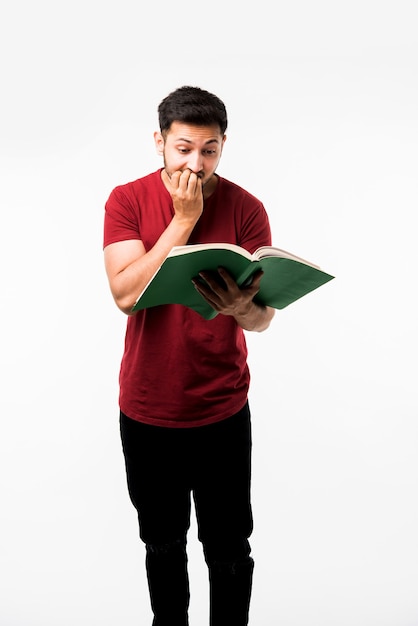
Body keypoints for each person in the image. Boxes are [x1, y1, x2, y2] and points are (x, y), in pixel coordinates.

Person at [103, 85, 275, 626]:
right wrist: (182, 220)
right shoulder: (127, 200)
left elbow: (264, 317)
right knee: (162, 545)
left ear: (223, 146)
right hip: (149, 409)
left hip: (223, 409)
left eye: (209, 150)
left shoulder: (248, 209)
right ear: (159, 142)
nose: (195, 164)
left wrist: (241, 309)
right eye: (183, 149)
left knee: (228, 550)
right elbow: (125, 295)